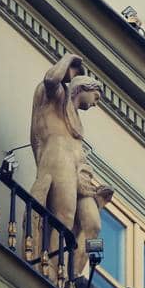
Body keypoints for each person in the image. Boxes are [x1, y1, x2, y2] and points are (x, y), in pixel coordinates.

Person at [28, 54, 102, 233]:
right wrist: (69, 59)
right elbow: (51, 80)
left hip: (77, 171)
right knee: (65, 217)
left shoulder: (76, 118)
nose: (95, 104)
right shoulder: (57, 97)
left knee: (92, 225)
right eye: (96, 97)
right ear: (84, 88)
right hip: (59, 159)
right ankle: (53, 261)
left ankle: (78, 259)